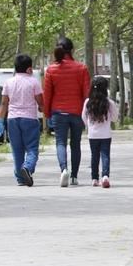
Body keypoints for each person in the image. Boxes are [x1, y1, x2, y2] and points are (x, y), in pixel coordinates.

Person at [44, 37, 91, 187]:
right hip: (77, 112)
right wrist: (87, 113)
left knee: (60, 142)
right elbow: (86, 94)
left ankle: (64, 169)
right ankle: (74, 177)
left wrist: (47, 113)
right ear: (72, 50)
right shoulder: (81, 68)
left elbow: (47, 94)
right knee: (75, 144)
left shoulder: (51, 69)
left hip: (58, 112)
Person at [0, 54, 44, 187]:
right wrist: (43, 108)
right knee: (32, 149)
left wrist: (0, 121)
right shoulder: (34, 82)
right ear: (29, 69)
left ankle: (20, 178)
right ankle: (27, 168)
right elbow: (40, 101)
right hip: (29, 119)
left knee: (17, 150)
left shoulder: (8, 82)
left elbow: (4, 103)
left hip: (12, 119)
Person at [81, 76, 117, 188]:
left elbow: (83, 117)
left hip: (93, 135)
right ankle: (105, 176)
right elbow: (115, 117)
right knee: (105, 155)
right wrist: (109, 119)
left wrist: (89, 126)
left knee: (94, 155)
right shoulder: (109, 102)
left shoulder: (88, 102)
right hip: (106, 134)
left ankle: (94, 178)